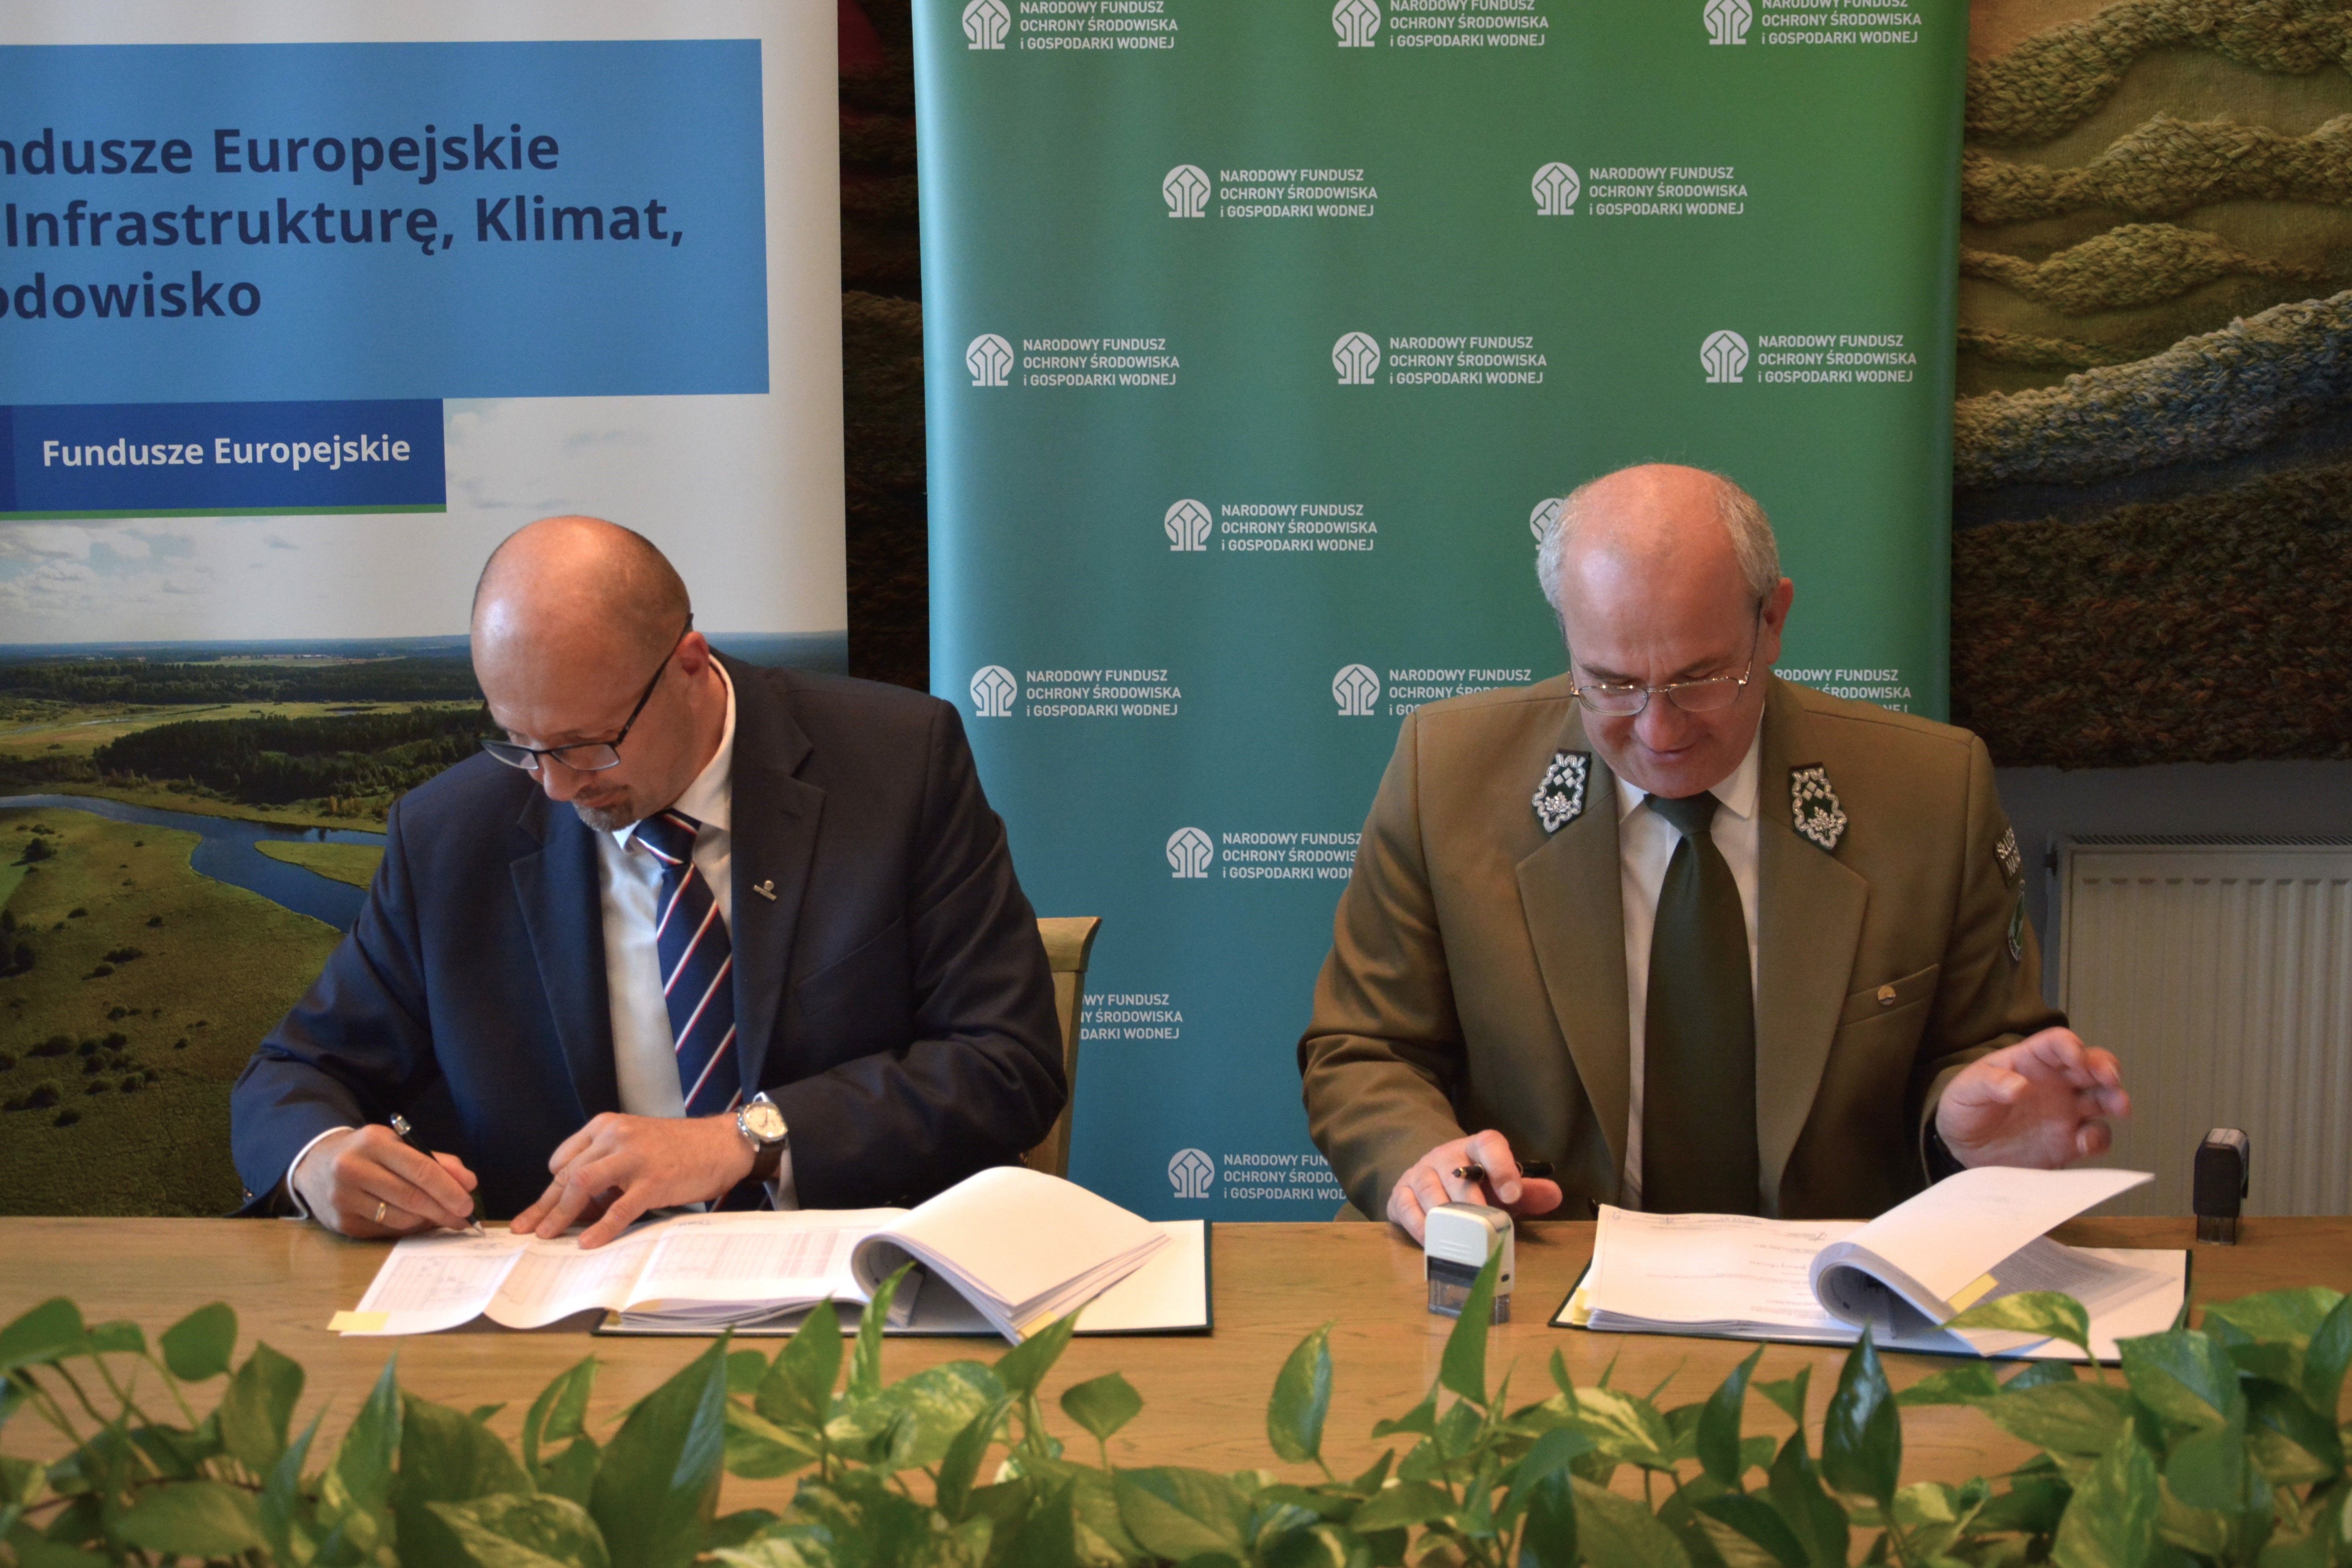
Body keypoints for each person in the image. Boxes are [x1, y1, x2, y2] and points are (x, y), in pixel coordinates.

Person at [1298, 464, 2129, 1241]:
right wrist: (1424, 1165)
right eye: (1612, 683)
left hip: (1823, 1282)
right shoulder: (1446, 775)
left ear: (1772, 622)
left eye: (1700, 679)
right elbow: (1367, 1049)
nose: (1659, 731)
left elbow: (1981, 1055)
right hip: (1536, 1261)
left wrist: (1958, 1126)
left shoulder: (1931, 792)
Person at [232, 516, 1066, 1248]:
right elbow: (291, 1073)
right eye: (521, 744)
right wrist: (321, 1162)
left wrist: (746, 1138)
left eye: (588, 744)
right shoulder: (452, 835)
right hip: (572, 1307)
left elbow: (1007, 1063)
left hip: (860, 1286)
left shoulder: (896, 764)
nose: (556, 787)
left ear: (689, 666)